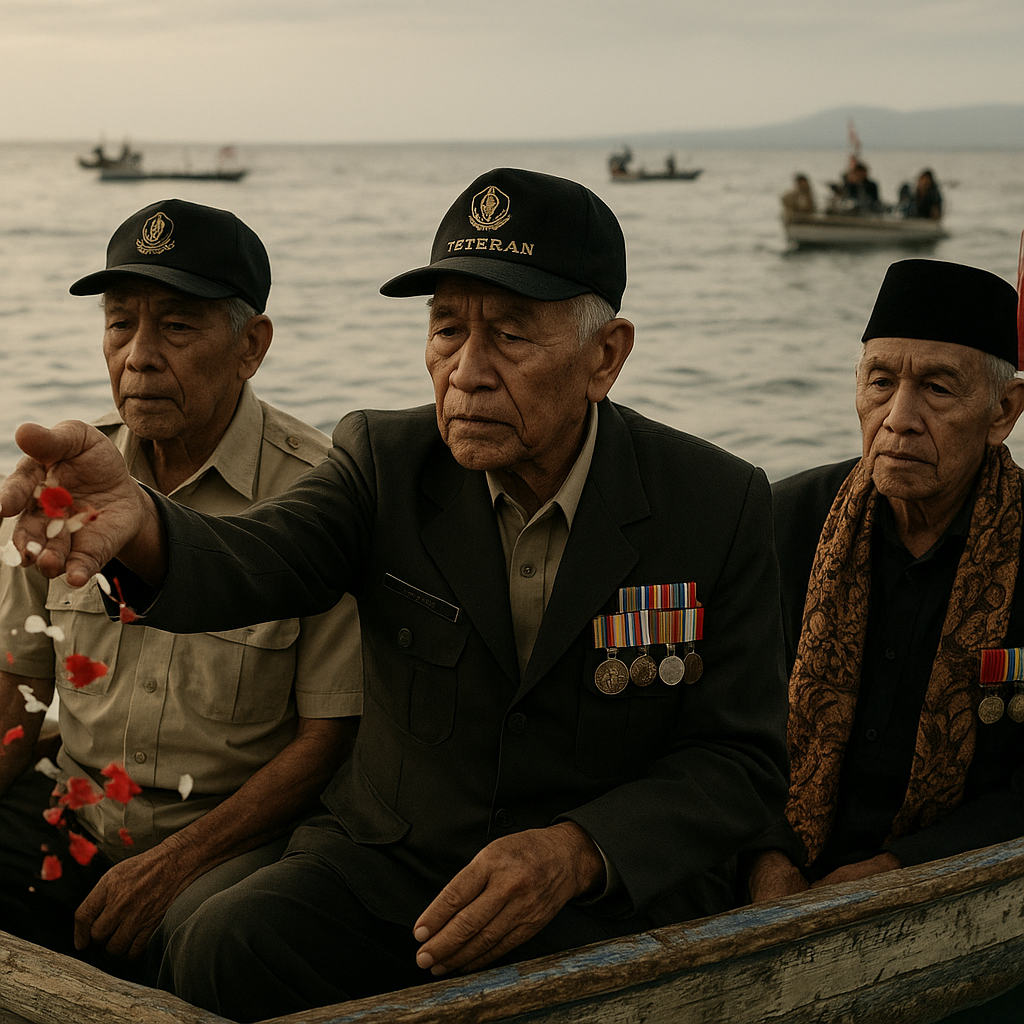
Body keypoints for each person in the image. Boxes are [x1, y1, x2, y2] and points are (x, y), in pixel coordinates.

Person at [1, 168, 789, 1021]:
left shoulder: (716, 502)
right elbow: (260, 557)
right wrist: (143, 523)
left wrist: (578, 850)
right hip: (395, 870)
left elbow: (739, 764)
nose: (467, 371)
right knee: (222, 943)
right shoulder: (383, 457)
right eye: (447, 329)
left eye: (511, 337)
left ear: (606, 356)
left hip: (597, 897)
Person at [0, 199, 362, 974]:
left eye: (177, 326)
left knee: (210, 944)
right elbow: (18, 693)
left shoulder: (321, 497)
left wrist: (175, 862)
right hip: (79, 809)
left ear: (251, 347)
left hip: (234, 833)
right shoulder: (65, 480)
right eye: (120, 322)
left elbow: (328, 740)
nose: (138, 355)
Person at [747, 259, 1024, 913]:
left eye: (937, 389)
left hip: (959, 882)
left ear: (1003, 411)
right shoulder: (778, 522)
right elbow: (721, 732)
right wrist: (767, 861)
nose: (898, 417)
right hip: (768, 866)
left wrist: (903, 870)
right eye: (880, 382)